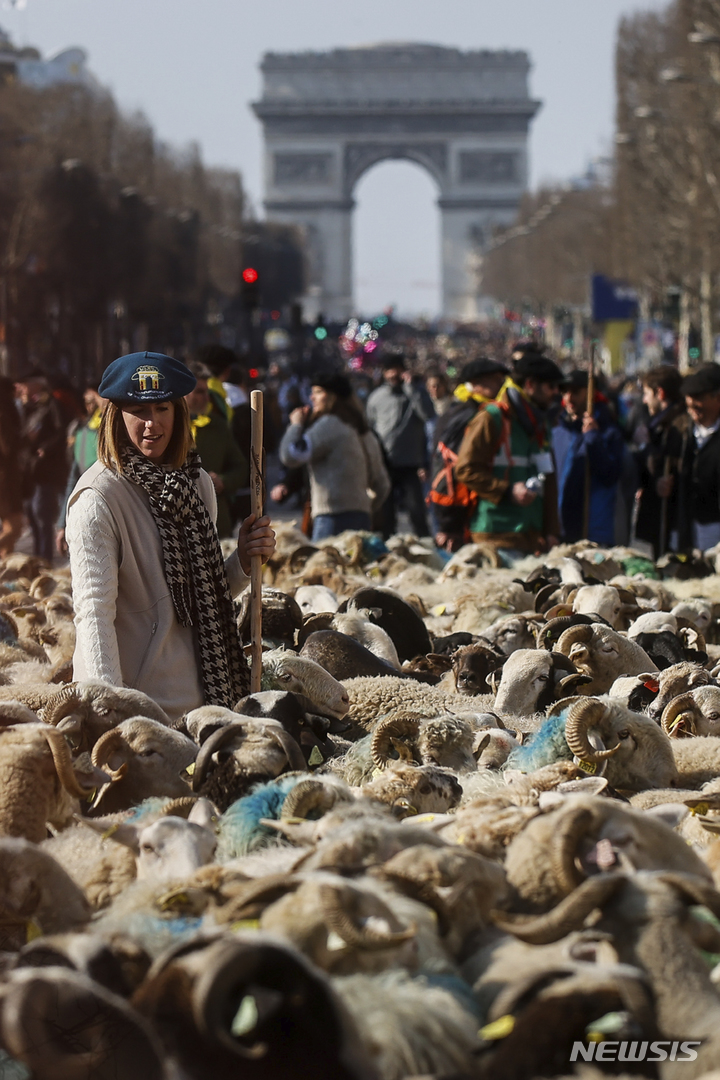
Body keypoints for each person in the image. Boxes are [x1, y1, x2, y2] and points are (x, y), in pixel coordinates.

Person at [65, 351, 275, 720]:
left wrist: (242, 561)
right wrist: (114, 712)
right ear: (116, 416)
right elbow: (94, 614)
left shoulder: (197, 485)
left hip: (206, 701)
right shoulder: (97, 498)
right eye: (139, 411)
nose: (152, 424)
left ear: (179, 413)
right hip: (139, 711)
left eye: (162, 409)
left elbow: (201, 597)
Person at [454, 353, 562, 558]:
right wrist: (508, 491)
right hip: (495, 536)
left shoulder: (541, 425)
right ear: (530, 385)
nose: (556, 393)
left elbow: (549, 478)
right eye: (551, 386)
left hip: (529, 537)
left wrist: (551, 532)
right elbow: (465, 469)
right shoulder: (491, 418)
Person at [279, 370, 390, 541]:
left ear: (332, 397)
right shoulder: (364, 431)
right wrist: (365, 506)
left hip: (331, 519)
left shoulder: (329, 425)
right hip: (362, 518)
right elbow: (382, 484)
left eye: (318, 392)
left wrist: (295, 425)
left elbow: (290, 455)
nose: (312, 398)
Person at [428, 357, 508, 551]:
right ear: (476, 384)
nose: (501, 385)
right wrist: (450, 525)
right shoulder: (468, 416)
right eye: (495, 380)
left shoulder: (476, 411)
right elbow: (449, 468)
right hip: (463, 515)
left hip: (476, 511)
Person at [551, 370, 625, 546]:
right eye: (565, 392)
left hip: (593, 529)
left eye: (575, 392)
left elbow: (609, 475)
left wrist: (592, 439)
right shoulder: (558, 432)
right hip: (563, 529)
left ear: (590, 393)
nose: (569, 398)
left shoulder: (608, 433)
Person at [366, 355, 435, 537]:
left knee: (417, 512)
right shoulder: (376, 397)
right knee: (386, 515)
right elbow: (370, 428)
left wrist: (412, 389)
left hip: (410, 463)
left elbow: (428, 414)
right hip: (385, 464)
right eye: (390, 370)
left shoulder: (415, 393)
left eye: (397, 369)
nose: (393, 374)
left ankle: (426, 547)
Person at [184, 361, 248, 538]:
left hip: (216, 523)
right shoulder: (165, 427)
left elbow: (240, 467)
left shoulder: (218, 426)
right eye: (199, 392)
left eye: (207, 392)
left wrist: (223, 481)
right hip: (178, 525)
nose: (206, 398)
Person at [635, 366, 687, 557]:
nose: (644, 400)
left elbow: (663, 463)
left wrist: (645, 447)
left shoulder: (677, 424)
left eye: (647, 393)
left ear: (660, 393)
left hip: (670, 516)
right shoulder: (659, 423)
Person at [16, 373, 68, 563]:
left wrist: (46, 449)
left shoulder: (50, 404)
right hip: (28, 470)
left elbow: (61, 431)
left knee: (42, 516)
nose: (21, 388)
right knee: (32, 517)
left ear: (36, 385)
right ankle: (37, 560)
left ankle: (44, 561)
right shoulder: (26, 406)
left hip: (44, 470)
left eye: (24, 384)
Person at [56, 384, 107, 556]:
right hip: (87, 515)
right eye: (88, 401)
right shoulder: (84, 430)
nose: (91, 404)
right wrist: (63, 523)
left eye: (94, 399)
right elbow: (74, 478)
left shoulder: (119, 430)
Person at [675, 363, 720, 552]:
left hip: (714, 524)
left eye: (699, 397)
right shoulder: (681, 432)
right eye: (689, 397)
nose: (692, 404)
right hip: (685, 522)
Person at [0, 376, 24, 557]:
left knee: (10, 526)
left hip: (6, 476)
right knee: (15, 527)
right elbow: (9, 446)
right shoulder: (6, 411)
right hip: (6, 477)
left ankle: (4, 575)